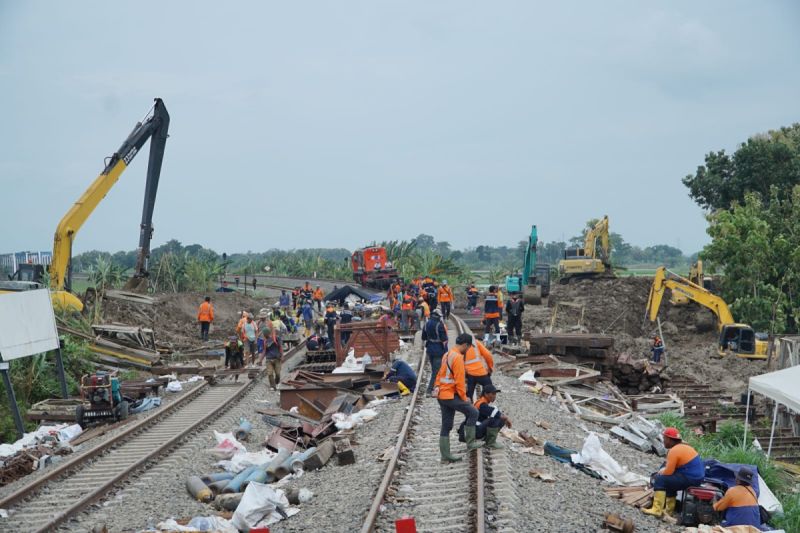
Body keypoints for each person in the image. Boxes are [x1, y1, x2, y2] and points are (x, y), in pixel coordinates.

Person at [434, 333, 483, 462]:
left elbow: (439, 374)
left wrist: (437, 387)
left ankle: (445, 455)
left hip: (442, 395)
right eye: (468, 347)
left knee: (447, 425)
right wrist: (464, 397)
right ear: (465, 345)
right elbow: (460, 381)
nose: (468, 350)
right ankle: (470, 442)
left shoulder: (447, 354)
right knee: (473, 412)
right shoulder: (458, 358)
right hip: (450, 395)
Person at [643, 427, 704, 517]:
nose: (663, 441)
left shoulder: (674, 450)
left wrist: (661, 472)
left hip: (690, 478)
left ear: (670, 439)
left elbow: (669, 472)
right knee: (670, 483)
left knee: (660, 479)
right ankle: (668, 511)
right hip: (696, 477)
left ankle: (656, 509)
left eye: (664, 439)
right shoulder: (685, 446)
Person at [457, 384, 510, 449]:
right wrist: (507, 419)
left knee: (498, 417)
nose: (494, 396)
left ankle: (487, 440)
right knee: (496, 419)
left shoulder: (481, 402)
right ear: (486, 394)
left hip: (475, 429)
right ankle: (490, 443)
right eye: (493, 394)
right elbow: (496, 414)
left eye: (495, 394)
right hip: (475, 431)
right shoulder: (482, 404)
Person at [422, 309, 448, 396]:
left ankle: (437, 387)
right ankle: (429, 390)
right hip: (438, 351)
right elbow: (444, 340)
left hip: (429, 350)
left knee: (434, 370)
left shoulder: (426, 324)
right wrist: (446, 352)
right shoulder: (439, 325)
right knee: (436, 372)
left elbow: (423, 337)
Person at [259, 321, 284, 390]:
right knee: (270, 374)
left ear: (267, 333)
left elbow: (280, 347)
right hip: (269, 360)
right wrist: (260, 360)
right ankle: (272, 386)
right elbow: (264, 351)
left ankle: (277, 383)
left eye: (264, 334)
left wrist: (282, 356)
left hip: (277, 359)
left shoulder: (276, 338)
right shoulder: (265, 341)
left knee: (278, 374)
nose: (264, 335)